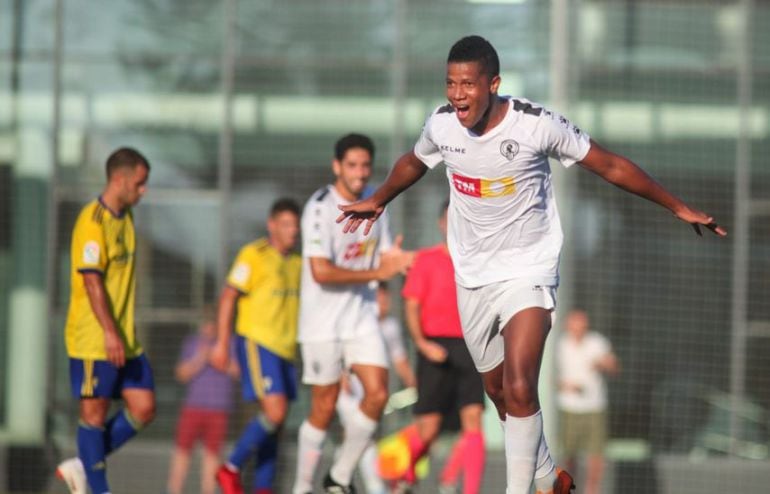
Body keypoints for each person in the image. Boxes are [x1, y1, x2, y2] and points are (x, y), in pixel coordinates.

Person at [337, 35, 725, 494]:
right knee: (499, 393)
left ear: (493, 84)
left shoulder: (536, 125)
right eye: (450, 83)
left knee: (521, 386)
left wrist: (676, 206)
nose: (457, 94)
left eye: (468, 84)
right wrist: (378, 198)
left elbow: (610, 165)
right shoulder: (443, 125)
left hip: (529, 269)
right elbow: (414, 162)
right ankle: (547, 476)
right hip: (474, 276)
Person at [292, 133, 413, 494]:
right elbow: (321, 271)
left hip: (361, 317)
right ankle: (302, 487)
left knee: (377, 394)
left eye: (365, 166)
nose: (360, 173)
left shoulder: (379, 201)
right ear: (337, 167)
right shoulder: (319, 208)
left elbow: (387, 256)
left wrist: (400, 266)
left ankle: (339, 477)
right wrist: (378, 273)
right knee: (324, 408)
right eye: (352, 165)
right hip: (321, 323)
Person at [56, 147, 154, 494]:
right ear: (120, 179)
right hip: (94, 339)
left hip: (125, 339)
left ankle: (81, 465)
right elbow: (91, 280)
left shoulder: (125, 218)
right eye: (140, 184)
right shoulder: (92, 221)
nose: (143, 191)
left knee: (143, 407)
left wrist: (121, 334)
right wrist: (110, 333)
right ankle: (99, 489)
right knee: (94, 417)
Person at [210, 198, 303, 494]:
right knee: (274, 414)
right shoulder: (253, 254)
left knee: (276, 424)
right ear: (272, 225)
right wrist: (222, 344)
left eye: (295, 225)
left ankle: (263, 488)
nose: (292, 231)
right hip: (258, 342)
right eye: (286, 224)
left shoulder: (298, 262)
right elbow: (228, 297)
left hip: (286, 350)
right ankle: (230, 468)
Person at [394, 199, 486, 494]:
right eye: (449, 219)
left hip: (470, 347)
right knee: (429, 429)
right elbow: (411, 306)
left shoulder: (477, 262)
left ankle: (470, 490)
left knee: (473, 420)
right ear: (441, 223)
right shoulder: (425, 259)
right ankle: (407, 475)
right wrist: (421, 343)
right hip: (434, 348)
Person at [336, 282, 417, 494]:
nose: (384, 303)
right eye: (380, 298)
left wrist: (415, 385)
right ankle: (373, 488)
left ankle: (338, 481)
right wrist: (342, 378)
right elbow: (339, 353)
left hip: (374, 397)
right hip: (349, 395)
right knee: (364, 438)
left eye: (386, 298)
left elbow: (400, 361)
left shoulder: (390, 327)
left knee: (356, 439)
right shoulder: (354, 323)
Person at [166, 309, 239, 494]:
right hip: (193, 408)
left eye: (212, 324)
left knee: (212, 456)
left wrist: (218, 359)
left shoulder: (229, 344)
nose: (208, 329)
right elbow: (181, 374)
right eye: (205, 324)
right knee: (182, 453)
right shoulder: (192, 343)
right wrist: (200, 358)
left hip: (219, 409)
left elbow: (238, 372)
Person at [557, 310, 619, 494]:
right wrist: (564, 386)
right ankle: (567, 488)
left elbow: (614, 366)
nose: (579, 329)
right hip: (569, 408)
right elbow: (551, 378)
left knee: (596, 455)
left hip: (594, 407)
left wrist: (605, 364)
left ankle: (592, 490)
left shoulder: (597, 342)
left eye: (582, 325)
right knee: (569, 454)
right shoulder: (560, 345)